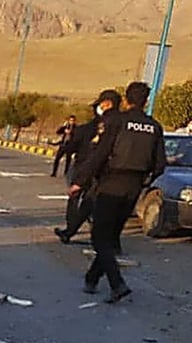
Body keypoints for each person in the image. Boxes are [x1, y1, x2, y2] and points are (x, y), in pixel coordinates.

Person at [70, 81, 165, 303]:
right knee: (110, 236)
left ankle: (117, 283)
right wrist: (144, 181)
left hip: (111, 183)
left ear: (126, 99)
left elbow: (100, 154)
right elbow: (160, 165)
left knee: (99, 237)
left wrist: (80, 181)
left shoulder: (117, 121)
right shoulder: (155, 127)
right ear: (146, 101)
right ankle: (92, 278)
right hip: (134, 187)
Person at [54, 89, 122, 244]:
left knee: (76, 198)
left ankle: (71, 228)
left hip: (84, 168)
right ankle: (88, 232)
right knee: (92, 202)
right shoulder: (121, 124)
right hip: (106, 171)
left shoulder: (88, 128)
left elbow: (72, 148)